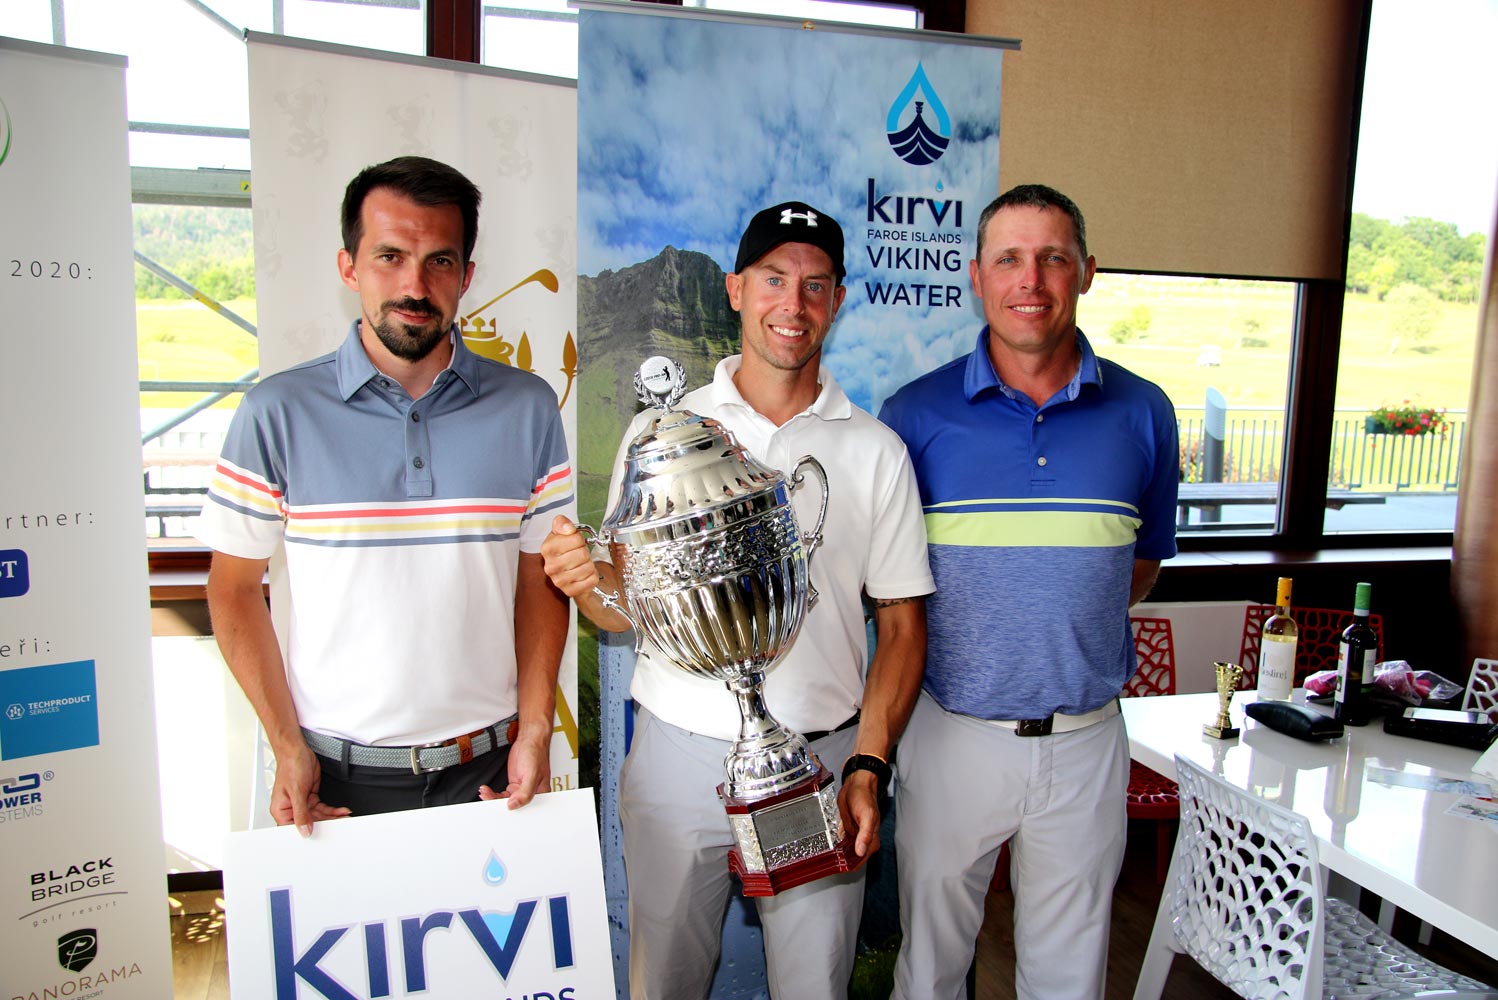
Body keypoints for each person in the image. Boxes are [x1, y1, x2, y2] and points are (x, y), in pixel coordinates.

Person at [538, 201, 933, 999]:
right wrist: (586, 582)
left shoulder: (876, 451)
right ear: (736, 289)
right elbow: (624, 609)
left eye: (815, 285)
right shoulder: (662, 434)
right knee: (664, 981)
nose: (794, 304)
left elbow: (901, 626)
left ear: (838, 300)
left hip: (817, 761)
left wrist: (867, 762)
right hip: (678, 754)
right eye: (774, 279)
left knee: (814, 986)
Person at [196, 155, 573, 836]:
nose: (414, 286)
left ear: (466, 275)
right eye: (390, 257)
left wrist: (538, 726)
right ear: (349, 267)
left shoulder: (528, 408)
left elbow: (539, 580)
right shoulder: (276, 411)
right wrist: (286, 745)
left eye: (439, 262)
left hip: (490, 774)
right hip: (333, 781)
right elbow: (232, 588)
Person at [878, 184, 1179, 1000]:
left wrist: (1056, 614)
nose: (1030, 280)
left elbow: (1137, 565)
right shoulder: (913, 415)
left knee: (1069, 978)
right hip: (952, 736)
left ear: (1088, 272)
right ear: (977, 275)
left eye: (1053, 258)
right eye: (1008, 259)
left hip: (1085, 744)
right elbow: (890, 590)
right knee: (930, 970)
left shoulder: (1146, 413)